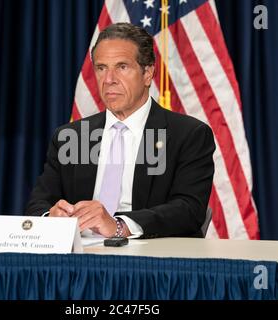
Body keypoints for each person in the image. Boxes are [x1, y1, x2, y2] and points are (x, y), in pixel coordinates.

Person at [25, 23, 215, 239]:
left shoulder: (188, 135)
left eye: (122, 67)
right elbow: (38, 203)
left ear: (148, 73)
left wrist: (119, 225)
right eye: (101, 68)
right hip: (79, 257)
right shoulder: (72, 136)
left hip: (149, 259)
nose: (108, 79)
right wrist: (51, 217)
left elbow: (188, 210)